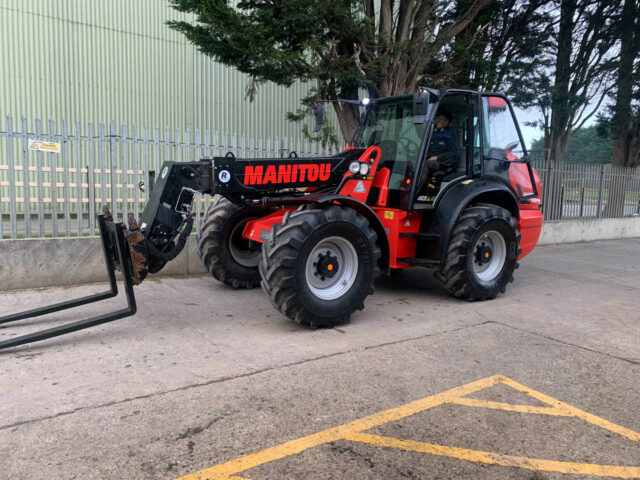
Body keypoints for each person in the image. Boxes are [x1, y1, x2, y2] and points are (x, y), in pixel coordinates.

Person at [425, 110, 458, 175]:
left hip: (443, 163)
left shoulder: (451, 134)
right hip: (430, 160)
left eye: (439, 119)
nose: (437, 121)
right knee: (414, 163)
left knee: (424, 165)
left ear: (446, 122)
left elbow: (454, 152)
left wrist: (437, 157)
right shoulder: (434, 133)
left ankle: (416, 185)